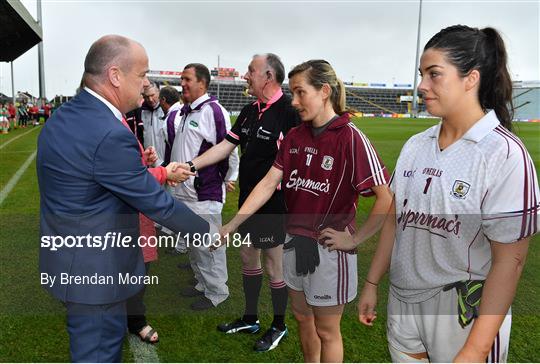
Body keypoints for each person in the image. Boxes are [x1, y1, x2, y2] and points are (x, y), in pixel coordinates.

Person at [358, 25, 539, 363]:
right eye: (421, 74)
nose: (422, 86)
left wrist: (475, 349)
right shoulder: (416, 145)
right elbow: (394, 223)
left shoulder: (503, 154)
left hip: (461, 310)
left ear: (470, 79)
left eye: (434, 74)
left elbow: (510, 262)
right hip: (403, 301)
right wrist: (371, 282)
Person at [37, 35, 216, 362]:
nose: (147, 83)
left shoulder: (63, 116)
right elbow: (157, 203)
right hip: (96, 272)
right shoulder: (109, 131)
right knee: (99, 354)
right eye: (142, 74)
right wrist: (207, 233)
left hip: (68, 261)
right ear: (115, 76)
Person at [219, 59, 392, 362]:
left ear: (324, 91)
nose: (294, 101)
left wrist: (354, 239)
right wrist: (232, 225)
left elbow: (385, 197)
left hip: (328, 251)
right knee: (302, 320)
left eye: (300, 93)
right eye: (292, 93)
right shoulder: (296, 137)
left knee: (327, 331)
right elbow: (267, 184)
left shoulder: (350, 137)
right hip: (292, 244)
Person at [182, 53, 300, 351]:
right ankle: (250, 318)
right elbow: (225, 147)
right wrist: (191, 166)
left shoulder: (289, 111)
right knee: (248, 257)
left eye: (251, 70)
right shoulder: (250, 110)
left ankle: (278, 325)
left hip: (274, 202)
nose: (245, 75)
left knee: (274, 265)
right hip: (249, 199)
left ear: (268, 77)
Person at [170, 63, 239, 310]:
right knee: (193, 242)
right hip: (184, 192)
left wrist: (230, 177)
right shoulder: (187, 111)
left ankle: (217, 293)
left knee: (209, 245)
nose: (183, 83)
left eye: (187, 79)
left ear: (202, 82)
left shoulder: (213, 110)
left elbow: (229, 147)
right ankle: (202, 284)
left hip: (204, 192)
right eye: (181, 78)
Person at [141, 82, 166, 166]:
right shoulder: (141, 111)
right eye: (147, 97)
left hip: (164, 162)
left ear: (159, 92)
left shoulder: (167, 110)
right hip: (147, 162)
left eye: (152, 95)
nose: (150, 99)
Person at [159, 86, 182, 165]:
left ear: (163, 100)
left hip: (177, 167)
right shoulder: (183, 112)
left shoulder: (171, 120)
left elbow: (175, 150)